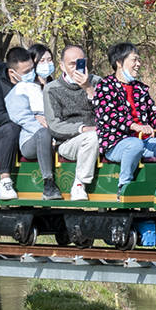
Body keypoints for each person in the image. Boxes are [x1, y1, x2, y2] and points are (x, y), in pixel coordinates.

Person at [92, 42, 156, 194]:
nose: (138, 64)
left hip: (146, 141)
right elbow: (109, 115)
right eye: (134, 60)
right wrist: (134, 126)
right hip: (117, 144)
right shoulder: (104, 86)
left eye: (139, 60)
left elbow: (153, 111)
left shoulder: (140, 88)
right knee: (134, 145)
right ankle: (124, 186)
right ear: (119, 62)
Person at [41, 45, 102, 200]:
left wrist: (88, 89)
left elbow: (108, 113)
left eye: (80, 63)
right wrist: (82, 129)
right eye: (72, 64)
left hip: (102, 136)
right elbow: (54, 125)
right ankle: (79, 184)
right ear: (62, 66)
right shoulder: (52, 89)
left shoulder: (97, 82)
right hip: (68, 142)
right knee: (92, 137)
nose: (76, 68)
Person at [0, 45, 62, 198]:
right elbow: (19, 115)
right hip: (31, 138)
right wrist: (39, 121)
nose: (47, 64)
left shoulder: (56, 87)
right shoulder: (22, 88)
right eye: (42, 61)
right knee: (44, 133)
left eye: (50, 60)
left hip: (57, 132)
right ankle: (48, 183)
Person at [0, 45, 35, 199]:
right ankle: (4, 180)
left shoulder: (35, 82)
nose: (32, 74)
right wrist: (25, 121)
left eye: (32, 69)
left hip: (29, 131)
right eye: (27, 72)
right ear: (12, 72)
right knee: (11, 128)